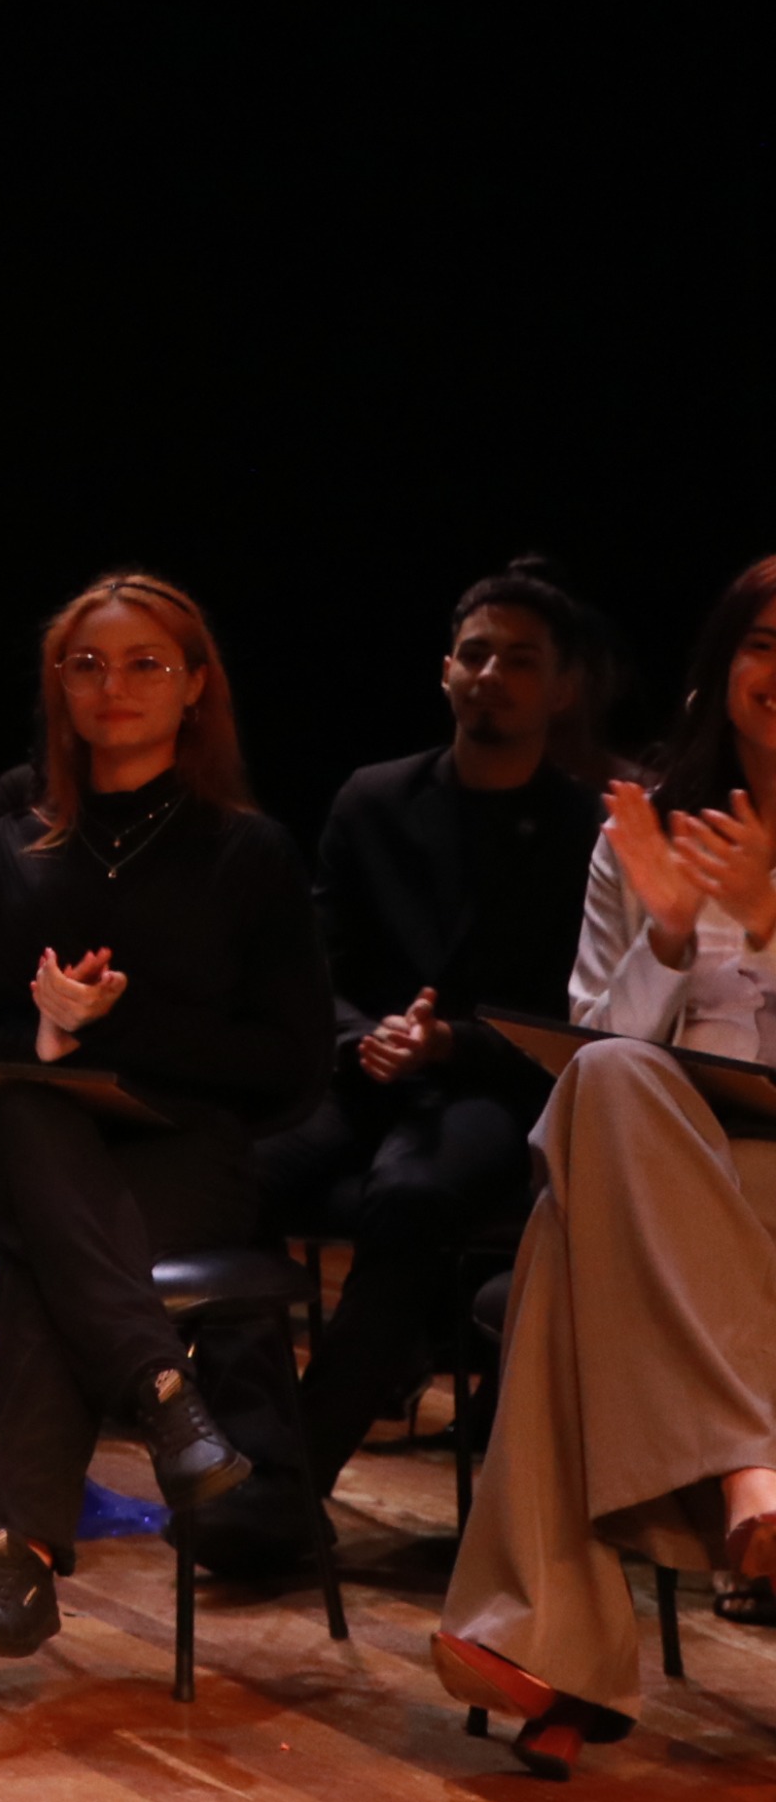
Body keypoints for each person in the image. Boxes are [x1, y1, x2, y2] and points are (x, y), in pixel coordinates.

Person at [0, 573, 327, 1656]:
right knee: (29, 1123)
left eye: (146, 662)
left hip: (181, 1159)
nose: (114, 684)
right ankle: (161, 1391)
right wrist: (47, 1036)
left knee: (52, 1254)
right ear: (57, 685)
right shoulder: (8, 846)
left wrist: (117, 1028)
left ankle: (16, 1559)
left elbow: (291, 1066)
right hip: (15, 1143)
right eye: (87, 664)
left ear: (194, 686)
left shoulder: (248, 852)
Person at [433, 554, 776, 1777]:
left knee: (567, 1242)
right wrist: (671, 933)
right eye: (762, 643)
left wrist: (766, 926)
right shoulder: (644, 833)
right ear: (722, 663)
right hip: (669, 1162)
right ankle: (750, 1470)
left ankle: (553, 1650)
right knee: (612, 1081)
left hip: (751, 1180)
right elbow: (593, 1043)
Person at [258, 561, 611, 1505]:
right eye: (474, 653)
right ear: (445, 670)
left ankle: (289, 1483)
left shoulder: (591, 827)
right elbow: (316, 967)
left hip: (497, 1087)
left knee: (413, 1192)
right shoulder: (372, 797)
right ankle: (249, 1433)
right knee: (229, 1172)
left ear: (563, 687)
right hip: (367, 1069)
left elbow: (583, 1014)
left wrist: (450, 1041)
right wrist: (362, 1038)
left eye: (520, 659)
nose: (491, 674)